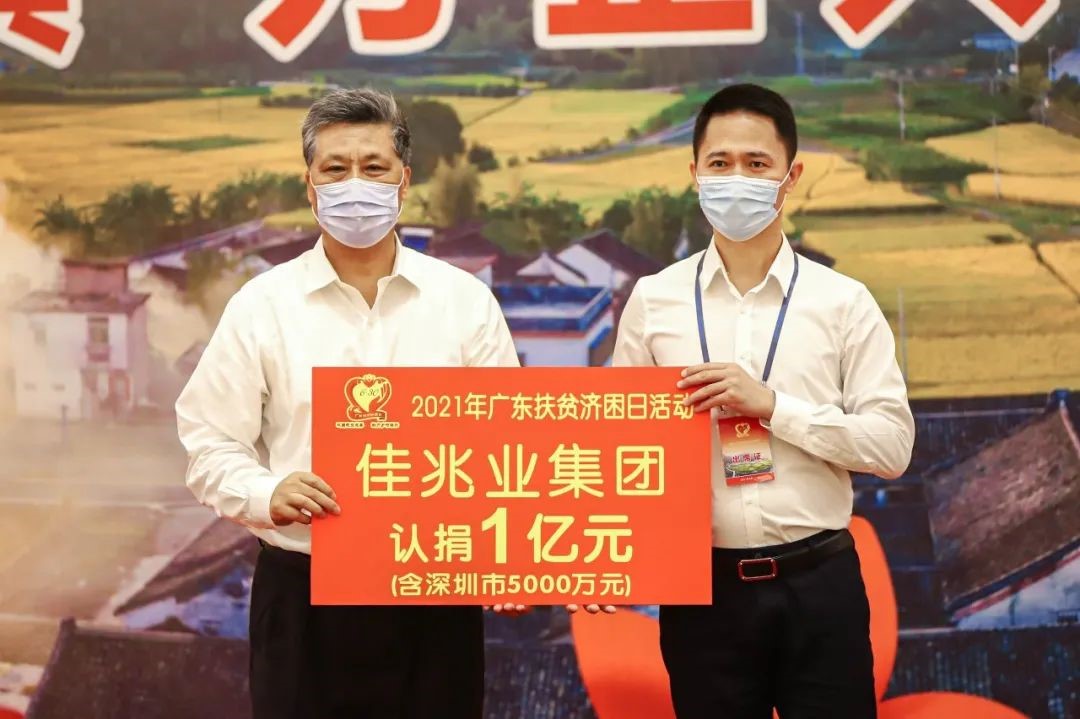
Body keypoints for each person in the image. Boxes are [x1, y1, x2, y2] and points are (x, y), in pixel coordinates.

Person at [176, 88, 521, 719]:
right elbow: (209, 443)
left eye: (373, 167)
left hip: (434, 593)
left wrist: (515, 558)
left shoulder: (464, 302)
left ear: (403, 182)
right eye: (335, 169)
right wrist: (265, 492)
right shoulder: (263, 306)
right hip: (304, 594)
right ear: (310, 187)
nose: (354, 184)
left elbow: (508, 443)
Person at [612, 83, 915, 719]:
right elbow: (621, 448)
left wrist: (774, 407)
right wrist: (606, 562)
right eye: (719, 163)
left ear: (790, 176)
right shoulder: (654, 300)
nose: (736, 179)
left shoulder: (843, 302)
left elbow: (891, 447)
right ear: (694, 174)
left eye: (757, 164)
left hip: (819, 583)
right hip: (703, 594)